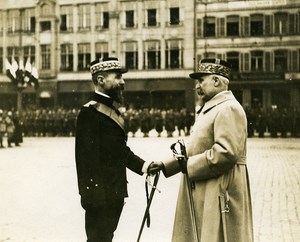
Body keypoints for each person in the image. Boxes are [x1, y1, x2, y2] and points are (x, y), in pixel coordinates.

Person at [153, 59, 254, 242]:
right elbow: (196, 150)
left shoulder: (228, 108)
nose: (197, 86)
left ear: (216, 81)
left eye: (201, 81)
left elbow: (226, 152)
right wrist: (166, 166)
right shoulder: (211, 108)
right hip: (207, 185)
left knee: (216, 236)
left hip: (221, 186)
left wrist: (189, 165)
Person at [75, 57, 159, 242]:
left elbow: (118, 151)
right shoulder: (89, 113)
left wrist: (144, 166)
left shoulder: (110, 109)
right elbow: (84, 160)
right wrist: (91, 196)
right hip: (99, 196)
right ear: (101, 80)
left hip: (114, 192)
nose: (123, 81)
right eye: (118, 77)